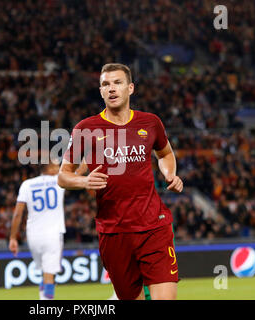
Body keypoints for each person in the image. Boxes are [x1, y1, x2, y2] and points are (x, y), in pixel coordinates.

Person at [58, 63, 183, 300]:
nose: (111, 88)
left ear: (130, 88)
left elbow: (165, 153)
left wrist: (169, 173)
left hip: (154, 226)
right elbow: (63, 176)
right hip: (114, 232)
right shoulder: (85, 129)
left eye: (117, 83)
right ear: (101, 91)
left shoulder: (150, 122)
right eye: (106, 84)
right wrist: (84, 182)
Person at [9, 161, 66, 300]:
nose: (59, 168)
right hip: (52, 234)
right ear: (50, 168)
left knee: (44, 272)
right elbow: (79, 172)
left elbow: (17, 214)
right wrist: (89, 154)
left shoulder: (27, 184)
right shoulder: (59, 180)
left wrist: (12, 238)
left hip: (33, 235)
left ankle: (43, 296)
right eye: (56, 166)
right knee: (49, 274)